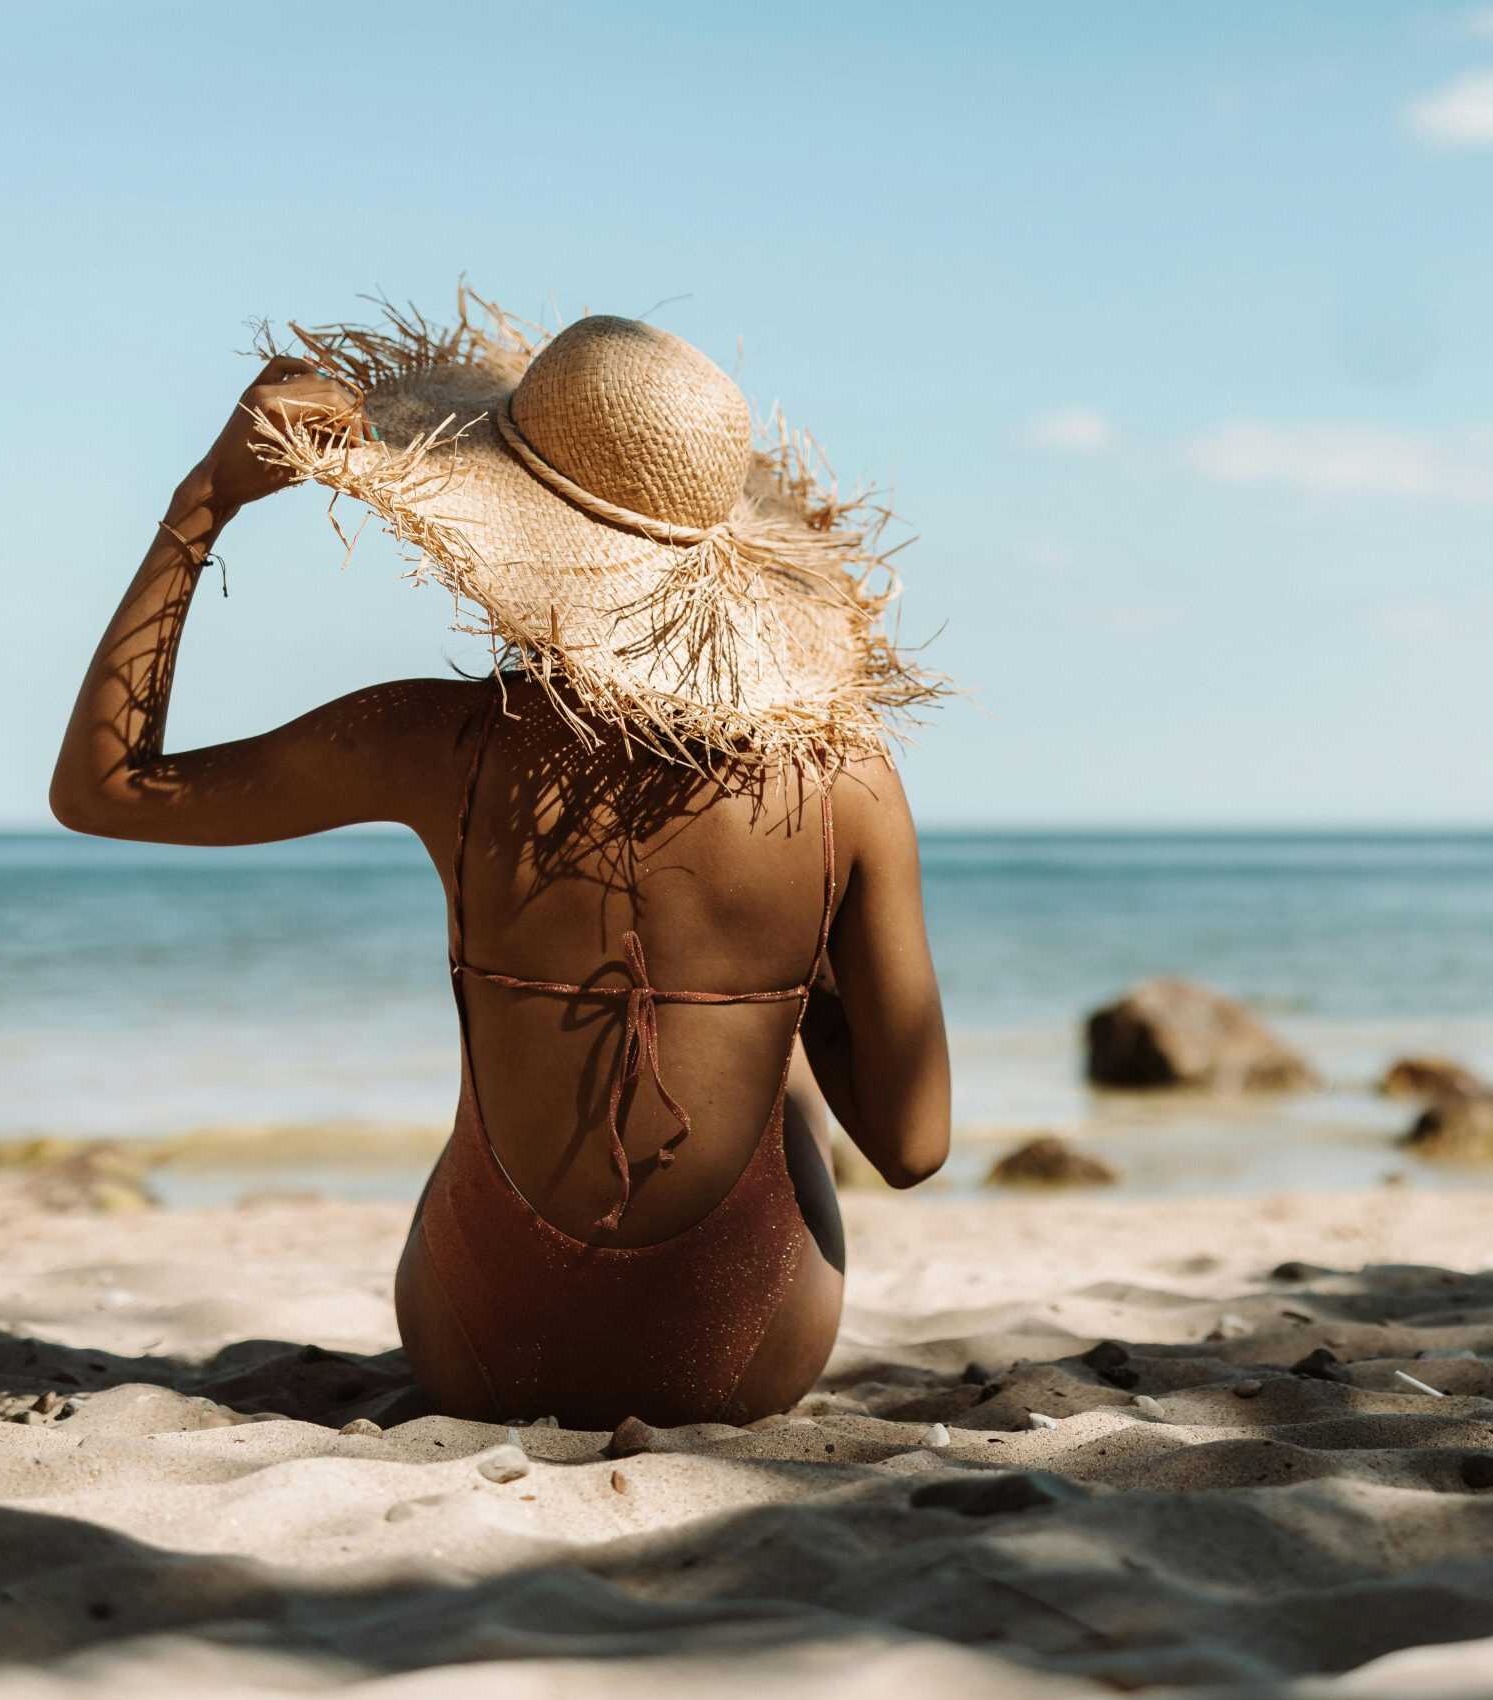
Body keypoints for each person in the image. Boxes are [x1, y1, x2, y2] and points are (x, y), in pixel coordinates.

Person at [49, 294, 951, 1427]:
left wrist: (203, 507)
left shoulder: (439, 742)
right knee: (787, 1076)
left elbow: (103, 791)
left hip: (480, 1347)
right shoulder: (846, 783)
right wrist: (795, 971)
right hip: (747, 1347)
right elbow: (917, 1148)